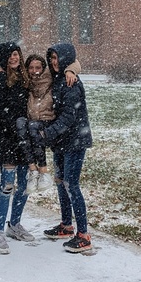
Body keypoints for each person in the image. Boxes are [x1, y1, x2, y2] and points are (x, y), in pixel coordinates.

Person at [40, 42, 94, 253]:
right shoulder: (60, 78)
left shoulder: (72, 84)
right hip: (62, 142)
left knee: (72, 184)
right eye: (51, 58)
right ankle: (66, 225)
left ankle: (83, 235)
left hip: (75, 142)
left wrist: (47, 134)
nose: (54, 62)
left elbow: (68, 117)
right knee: (61, 182)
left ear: (65, 59)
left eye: (57, 58)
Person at [0, 41, 34, 254]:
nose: (14, 58)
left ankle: (14, 224)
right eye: (9, 56)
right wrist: (16, 124)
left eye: (16, 54)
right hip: (7, 139)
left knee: (24, 184)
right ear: (3, 59)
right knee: (7, 185)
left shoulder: (26, 77)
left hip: (25, 139)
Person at [18, 51, 83, 193]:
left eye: (38, 67)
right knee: (21, 124)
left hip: (48, 123)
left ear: (43, 68)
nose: (34, 71)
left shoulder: (51, 76)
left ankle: (43, 171)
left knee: (34, 127)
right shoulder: (26, 82)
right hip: (33, 122)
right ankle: (33, 171)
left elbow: (74, 61)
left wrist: (71, 71)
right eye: (31, 68)